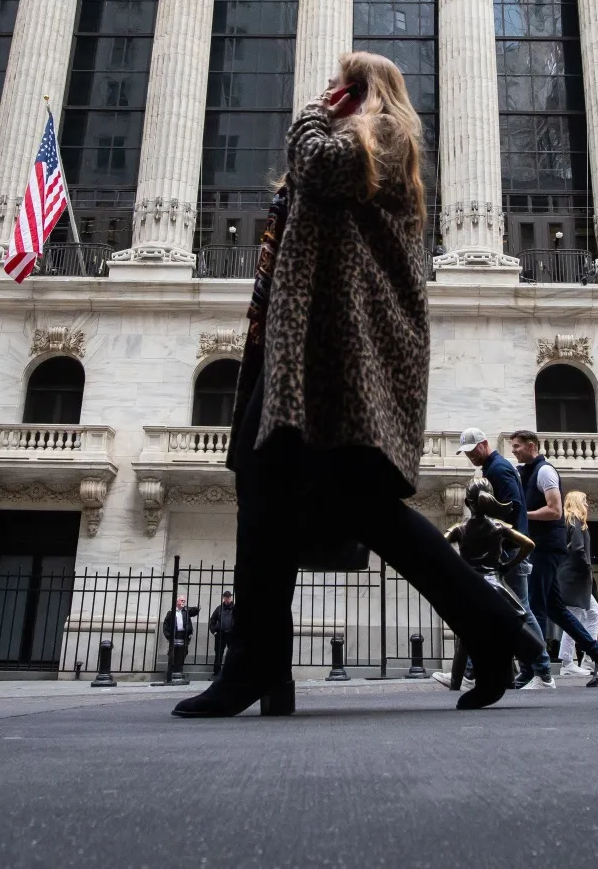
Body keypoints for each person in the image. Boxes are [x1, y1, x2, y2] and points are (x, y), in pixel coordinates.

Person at [174, 52, 539, 718]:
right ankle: (490, 628)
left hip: (340, 360)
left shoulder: (379, 140)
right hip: (302, 355)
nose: (329, 94)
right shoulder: (348, 147)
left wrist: (318, 115)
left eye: (344, 86)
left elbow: (314, 165)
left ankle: (260, 666)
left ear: (369, 93)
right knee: (306, 502)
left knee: (300, 499)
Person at [511, 430, 598, 687]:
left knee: (534, 608)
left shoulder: (545, 472)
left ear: (531, 446)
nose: (513, 450)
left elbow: (555, 510)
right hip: (540, 546)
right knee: (555, 609)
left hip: (545, 548)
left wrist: (524, 515)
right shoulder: (528, 472)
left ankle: (538, 672)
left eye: (517, 446)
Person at [455, 426, 547, 683]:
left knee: (521, 610)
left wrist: (493, 534)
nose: (470, 456)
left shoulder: (497, 469)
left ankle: (542, 670)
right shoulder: (494, 468)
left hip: (509, 550)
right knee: (507, 610)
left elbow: (513, 507)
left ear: (484, 444)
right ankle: (527, 671)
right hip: (508, 548)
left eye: (473, 450)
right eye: (467, 453)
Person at [433, 476, 537, 691]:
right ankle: (508, 680)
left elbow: (438, 546)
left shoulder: (459, 529)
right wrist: (509, 564)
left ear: (467, 503)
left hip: (469, 589)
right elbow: (528, 544)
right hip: (495, 587)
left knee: (465, 639)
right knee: (502, 634)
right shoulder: (499, 527)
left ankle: (455, 683)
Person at [555, 490, 598, 685]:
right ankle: (573, 661)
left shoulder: (568, 521)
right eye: (585, 501)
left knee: (590, 613)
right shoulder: (575, 520)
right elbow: (578, 549)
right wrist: (588, 568)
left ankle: (586, 659)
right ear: (577, 503)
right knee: (578, 615)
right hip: (576, 577)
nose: (588, 505)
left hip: (572, 576)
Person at [161, 596, 197, 684]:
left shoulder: (185, 611)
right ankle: (171, 673)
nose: (183, 602)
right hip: (174, 635)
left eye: (184, 601)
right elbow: (165, 625)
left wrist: (197, 607)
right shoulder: (171, 612)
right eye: (181, 600)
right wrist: (168, 636)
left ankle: (179, 672)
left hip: (183, 635)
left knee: (182, 653)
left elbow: (193, 611)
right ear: (177, 601)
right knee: (173, 653)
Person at [208, 592, 235, 678]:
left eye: (229, 597)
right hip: (220, 634)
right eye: (226, 597)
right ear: (223, 598)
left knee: (233, 654)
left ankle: (233, 672)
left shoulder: (235, 609)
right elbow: (212, 621)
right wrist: (214, 632)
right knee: (218, 653)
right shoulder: (219, 609)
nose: (228, 599)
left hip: (232, 634)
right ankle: (217, 673)